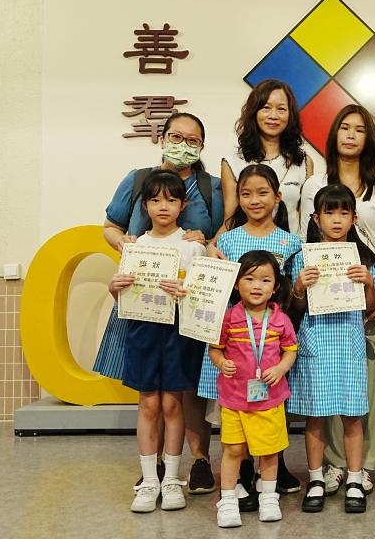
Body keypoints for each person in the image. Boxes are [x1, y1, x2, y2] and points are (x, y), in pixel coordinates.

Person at [94, 112, 223, 495]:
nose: (183, 145)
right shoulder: (138, 180)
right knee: (151, 396)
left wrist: (206, 242)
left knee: (189, 390)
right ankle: (155, 472)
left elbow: (223, 233)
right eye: (176, 137)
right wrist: (125, 245)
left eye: (192, 140)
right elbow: (111, 226)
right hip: (142, 303)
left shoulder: (211, 187)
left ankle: (194, 462)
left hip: (186, 309)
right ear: (162, 138)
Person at [299, 105, 375, 492]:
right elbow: (304, 239)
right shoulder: (314, 184)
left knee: (363, 389)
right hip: (321, 306)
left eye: (360, 129)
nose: (352, 135)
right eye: (345, 127)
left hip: (367, 296)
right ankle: (332, 464)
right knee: (324, 389)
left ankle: (363, 465)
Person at [198, 164, 302, 508]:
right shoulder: (226, 240)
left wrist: (300, 287)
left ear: (277, 197)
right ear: (238, 199)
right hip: (236, 340)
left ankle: (273, 468)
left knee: (272, 408)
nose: (254, 200)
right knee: (234, 410)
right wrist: (208, 253)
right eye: (246, 194)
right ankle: (241, 473)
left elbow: (297, 295)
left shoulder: (291, 242)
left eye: (262, 193)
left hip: (272, 341)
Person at [108, 169, 207, 513]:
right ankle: (150, 480)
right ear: (145, 205)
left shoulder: (193, 246)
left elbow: (203, 296)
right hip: (143, 331)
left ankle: (172, 480)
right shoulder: (134, 246)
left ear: (183, 205)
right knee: (149, 405)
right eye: (155, 200)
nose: (163, 207)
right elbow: (123, 296)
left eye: (171, 199)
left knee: (173, 405)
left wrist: (186, 291)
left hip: (178, 333)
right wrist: (113, 288)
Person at [290, 184, 375, 514]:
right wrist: (299, 286)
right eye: (330, 212)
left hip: (349, 342)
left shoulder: (364, 258)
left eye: (344, 212)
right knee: (315, 416)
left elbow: (370, 306)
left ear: (354, 218)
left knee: (352, 415)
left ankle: (354, 478)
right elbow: (296, 306)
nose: (337, 220)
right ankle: (315, 478)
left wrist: (369, 283)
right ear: (316, 218)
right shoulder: (304, 257)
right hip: (315, 340)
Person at [210, 251, 298, 527]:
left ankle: (269, 497)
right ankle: (227, 500)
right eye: (249, 279)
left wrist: (281, 368)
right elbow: (215, 349)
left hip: (269, 400)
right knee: (233, 449)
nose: (257, 286)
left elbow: (291, 350)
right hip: (234, 399)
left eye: (265, 280)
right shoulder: (228, 318)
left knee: (270, 451)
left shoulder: (281, 319)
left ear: (275, 287)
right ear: (237, 284)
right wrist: (221, 362)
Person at [217, 79, 312, 238]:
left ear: (290, 115)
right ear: (254, 112)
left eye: (281, 109)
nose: (273, 116)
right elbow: (230, 220)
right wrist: (210, 245)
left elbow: (306, 219)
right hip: (247, 249)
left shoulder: (304, 162)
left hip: (292, 248)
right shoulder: (232, 162)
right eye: (266, 108)